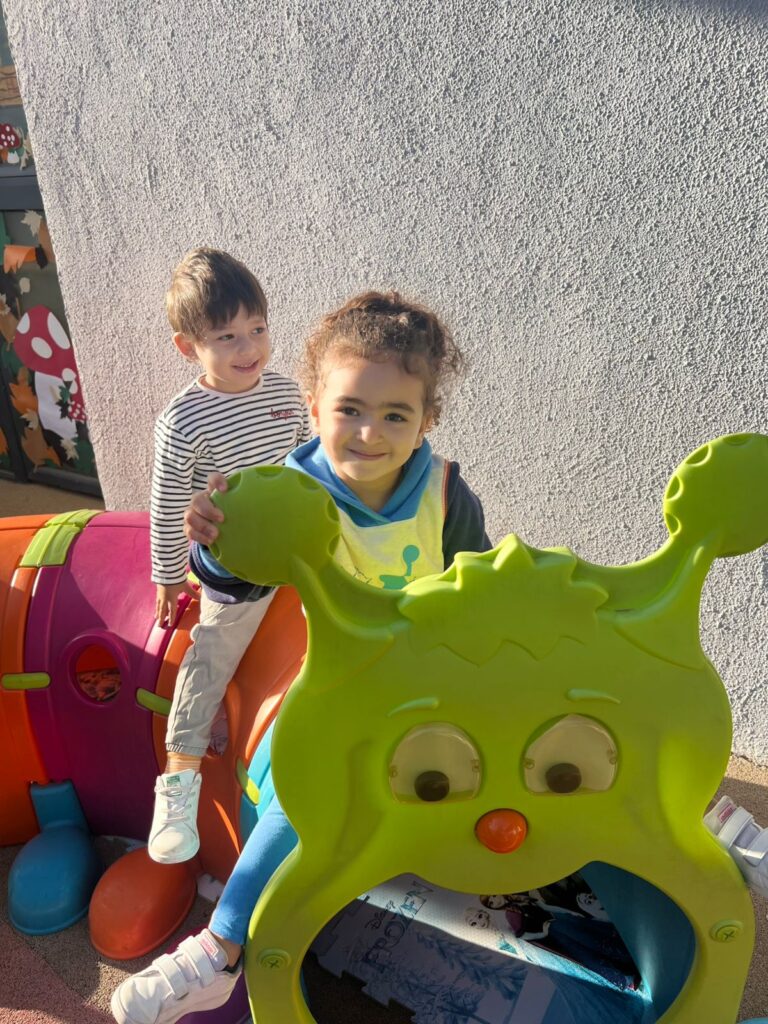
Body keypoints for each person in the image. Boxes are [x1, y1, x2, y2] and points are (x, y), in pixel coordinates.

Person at [111, 291, 490, 1024]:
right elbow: (238, 580)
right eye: (349, 409)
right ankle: (221, 947)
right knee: (306, 774)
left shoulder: (446, 493)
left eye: (396, 416)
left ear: (426, 422)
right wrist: (210, 540)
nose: (369, 433)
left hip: (431, 676)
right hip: (340, 682)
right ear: (314, 408)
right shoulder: (294, 490)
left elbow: (478, 593)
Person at [148, 248, 311, 865]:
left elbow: (307, 467)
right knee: (212, 654)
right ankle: (179, 781)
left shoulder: (286, 393)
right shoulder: (184, 419)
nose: (249, 348)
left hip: (294, 548)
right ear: (188, 347)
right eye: (227, 337)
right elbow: (168, 502)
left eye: (258, 328)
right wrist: (168, 575)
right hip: (234, 562)